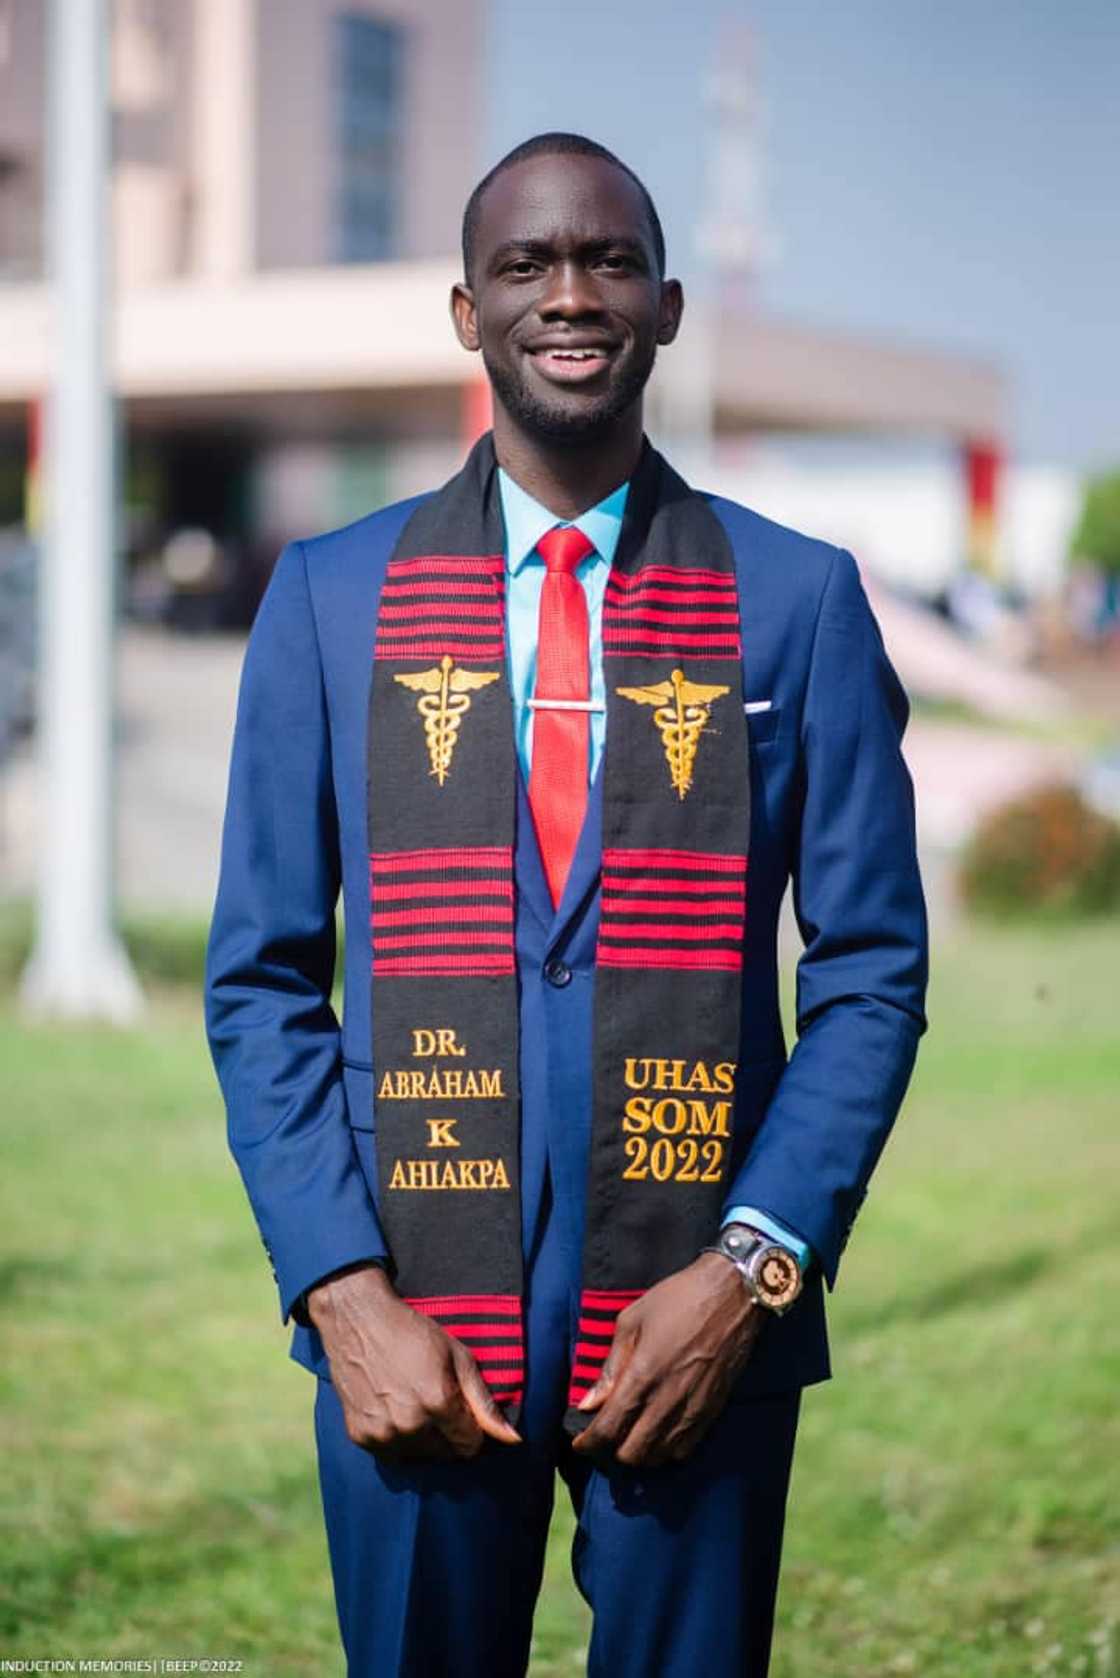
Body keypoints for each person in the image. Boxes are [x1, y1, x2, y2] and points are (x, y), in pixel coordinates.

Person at [205, 131, 928, 1678]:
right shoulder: (333, 599)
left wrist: (756, 1269)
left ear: (666, 306)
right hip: (415, 1321)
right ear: (468, 314)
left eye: (606, 261)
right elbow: (261, 980)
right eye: (526, 264)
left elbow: (870, 969)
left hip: (693, 1315)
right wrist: (340, 1291)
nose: (569, 294)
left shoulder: (794, 602)